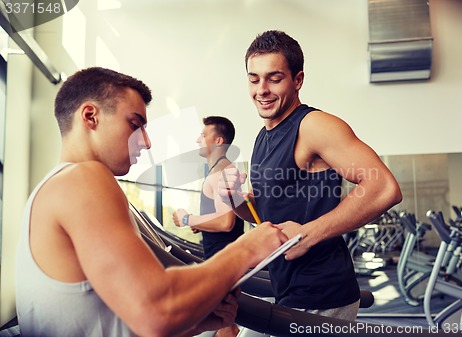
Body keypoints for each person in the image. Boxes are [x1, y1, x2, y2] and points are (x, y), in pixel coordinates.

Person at [15, 67, 287, 337]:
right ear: (90, 116)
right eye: (135, 125)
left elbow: (116, 317)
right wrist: (246, 249)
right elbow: (156, 310)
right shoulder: (83, 178)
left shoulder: (56, 186)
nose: (145, 142)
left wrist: (197, 324)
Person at [219, 30, 403, 320]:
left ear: (298, 80)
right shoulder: (262, 136)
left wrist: (307, 234)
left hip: (321, 291)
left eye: (274, 78)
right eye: (254, 79)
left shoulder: (313, 126)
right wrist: (233, 200)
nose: (261, 89)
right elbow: (264, 217)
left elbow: (384, 187)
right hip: (287, 288)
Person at [173, 116, 244, 337]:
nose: (198, 140)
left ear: (219, 140)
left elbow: (225, 222)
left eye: (204, 135)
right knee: (223, 324)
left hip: (224, 262)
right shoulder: (218, 171)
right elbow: (221, 216)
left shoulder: (222, 172)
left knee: (224, 325)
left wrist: (187, 219)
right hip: (219, 258)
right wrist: (201, 225)